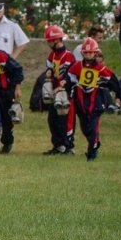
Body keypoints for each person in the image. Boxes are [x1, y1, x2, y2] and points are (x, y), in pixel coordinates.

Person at [64, 38, 121, 161]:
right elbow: (68, 78)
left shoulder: (101, 69)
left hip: (96, 103)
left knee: (93, 130)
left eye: (90, 52)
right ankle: (95, 144)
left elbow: (114, 82)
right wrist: (63, 86)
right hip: (81, 103)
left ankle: (91, 154)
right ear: (82, 53)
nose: (88, 55)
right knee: (85, 130)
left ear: (95, 53)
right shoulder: (77, 66)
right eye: (86, 53)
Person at [43, 25, 76, 155]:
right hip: (55, 91)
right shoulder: (53, 54)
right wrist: (49, 71)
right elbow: (50, 67)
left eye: (49, 41)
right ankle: (57, 146)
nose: (48, 43)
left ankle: (69, 147)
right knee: (53, 119)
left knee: (65, 120)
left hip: (65, 93)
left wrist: (60, 87)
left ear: (56, 40)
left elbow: (70, 76)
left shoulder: (68, 56)